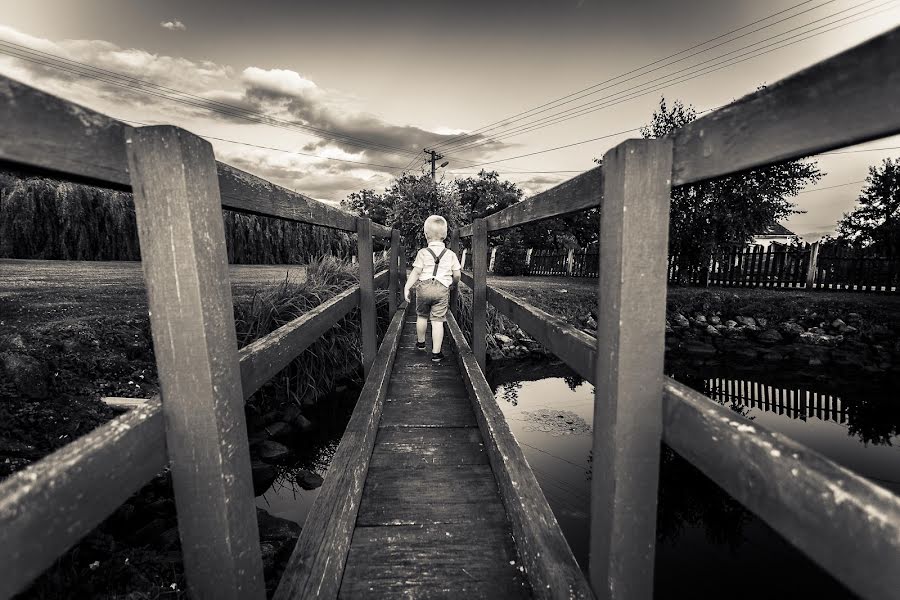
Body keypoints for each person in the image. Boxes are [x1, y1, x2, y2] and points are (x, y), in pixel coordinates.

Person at [403, 215, 461, 362]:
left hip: (423, 288)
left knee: (422, 316)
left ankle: (421, 343)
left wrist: (407, 287)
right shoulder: (451, 254)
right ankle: (436, 353)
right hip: (441, 289)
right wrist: (453, 283)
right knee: (437, 321)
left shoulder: (422, 253)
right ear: (446, 235)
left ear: (426, 234)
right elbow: (457, 274)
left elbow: (416, 272)